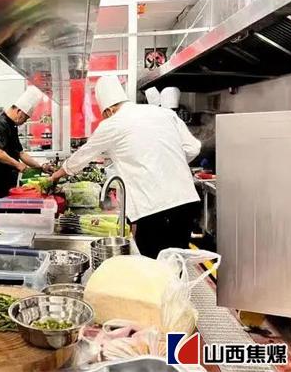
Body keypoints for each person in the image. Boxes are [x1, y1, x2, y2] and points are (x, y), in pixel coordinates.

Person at [50, 76, 201, 258]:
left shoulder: (113, 123)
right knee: (176, 261)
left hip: (154, 207)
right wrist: (167, 164)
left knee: (153, 265)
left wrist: (56, 175)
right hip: (187, 201)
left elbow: (83, 155)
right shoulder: (164, 113)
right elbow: (194, 148)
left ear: (109, 110)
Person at [0, 86, 52, 199]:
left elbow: (20, 153)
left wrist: (41, 166)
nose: (24, 122)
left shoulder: (12, 127)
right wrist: (18, 165)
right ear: (19, 111)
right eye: (25, 118)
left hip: (8, 185)